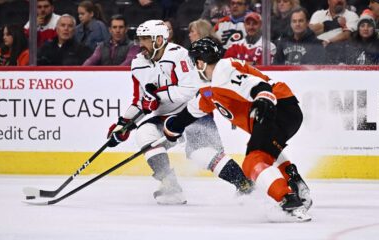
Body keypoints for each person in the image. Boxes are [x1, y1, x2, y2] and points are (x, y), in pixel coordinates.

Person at [162, 37, 312, 222]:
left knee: (252, 162)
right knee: (264, 151)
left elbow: (258, 86)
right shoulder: (211, 86)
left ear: (200, 62)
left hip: (276, 107)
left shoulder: (222, 71)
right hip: (283, 108)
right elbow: (193, 111)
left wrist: (264, 97)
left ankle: (288, 200)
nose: (193, 66)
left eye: (194, 62)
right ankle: (293, 179)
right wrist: (172, 128)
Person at [107, 20, 254, 205]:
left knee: (200, 153)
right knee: (145, 134)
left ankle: (245, 185)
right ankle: (169, 183)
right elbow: (140, 101)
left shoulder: (179, 55)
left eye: (145, 39)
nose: (140, 44)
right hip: (164, 117)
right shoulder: (138, 64)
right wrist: (123, 124)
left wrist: (158, 96)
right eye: (139, 39)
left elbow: (189, 89)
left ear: (159, 40)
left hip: (192, 112)